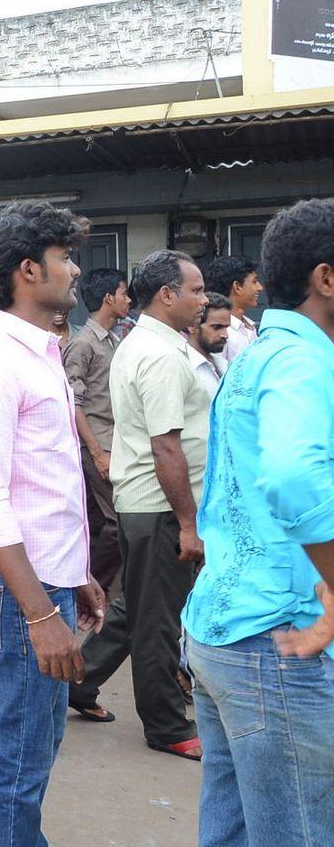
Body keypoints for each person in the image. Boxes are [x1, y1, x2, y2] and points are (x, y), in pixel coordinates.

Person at [0, 201, 107, 847]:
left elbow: (47, 483)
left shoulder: (41, 353)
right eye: (64, 258)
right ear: (27, 271)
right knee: (15, 760)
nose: (74, 270)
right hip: (18, 598)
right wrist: (42, 614)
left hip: (45, 583)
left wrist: (80, 575)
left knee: (32, 751)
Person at [183, 198, 334, 847]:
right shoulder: (303, 360)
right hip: (277, 640)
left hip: (224, 630)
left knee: (235, 827)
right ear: (326, 278)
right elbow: (295, 478)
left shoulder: (260, 351)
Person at [68, 249, 208, 759]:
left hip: (148, 503)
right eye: (194, 290)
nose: (202, 298)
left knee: (138, 607)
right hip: (160, 506)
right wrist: (189, 523)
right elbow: (166, 444)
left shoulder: (151, 343)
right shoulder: (161, 355)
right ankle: (167, 725)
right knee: (160, 621)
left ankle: (79, 683)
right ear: (167, 295)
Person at [62, 267, 131, 596]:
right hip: (97, 444)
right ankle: (87, 589)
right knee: (118, 523)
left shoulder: (115, 340)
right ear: (108, 298)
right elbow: (73, 403)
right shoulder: (83, 344)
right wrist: (97, 452)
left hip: (116, 442)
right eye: (123, 293)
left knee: (97, 522)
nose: (128, 300)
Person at [202, 254, 263, 372]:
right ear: (237, 287)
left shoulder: (252, 327)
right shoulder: (221, 331)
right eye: (254, 282)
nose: (260, 288)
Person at [187, 292, 232, 400]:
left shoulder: (224, 364)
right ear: (193, 326)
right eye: (217, 327)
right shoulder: (183, 366)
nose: (225, 335)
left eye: (226, 327)